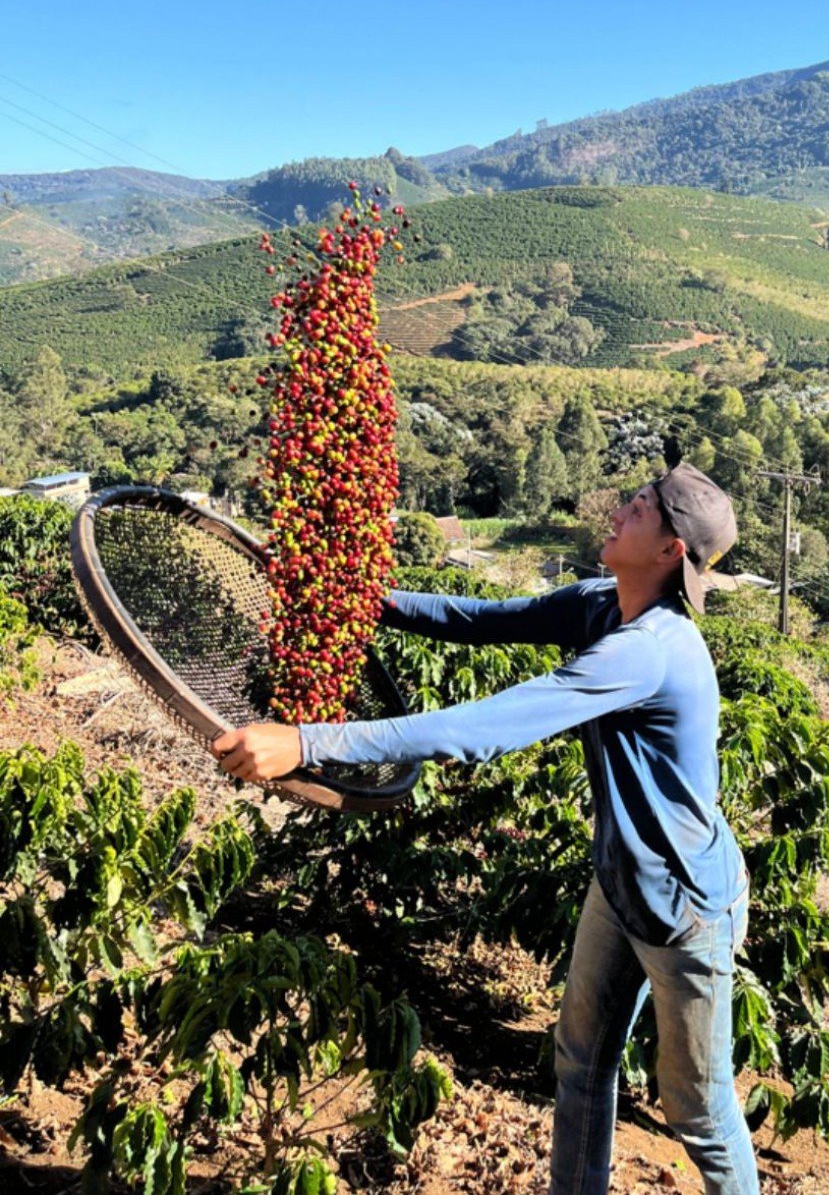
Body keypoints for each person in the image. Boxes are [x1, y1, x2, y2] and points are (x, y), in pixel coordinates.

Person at [213, 462, 759, 1194]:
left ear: (669, 553)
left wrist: (309, 742)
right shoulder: (604, 604)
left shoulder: (649, 649)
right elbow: (481, 620)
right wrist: (356, 599)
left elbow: (484, 726)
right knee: (580, 1065)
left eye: (638, 509)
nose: (618, 511)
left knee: (698, 1108)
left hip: (686, 910)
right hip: (620, 883)